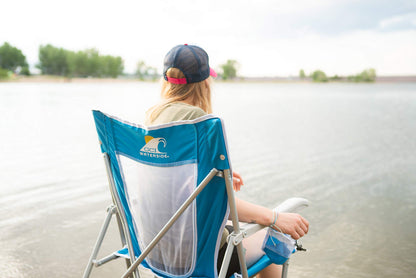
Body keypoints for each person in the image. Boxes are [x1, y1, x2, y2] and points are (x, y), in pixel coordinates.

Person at [145, 44, 309, 278]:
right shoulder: (200, 124)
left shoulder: (153, 119)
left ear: (167, 80)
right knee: (273, 240)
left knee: (239, 233)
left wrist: (215, 179)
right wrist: (275, 218)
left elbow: (172, 186)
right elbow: (223, 207)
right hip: (196, 258)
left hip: (151, 249)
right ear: (205, 83)